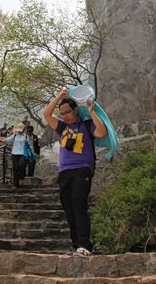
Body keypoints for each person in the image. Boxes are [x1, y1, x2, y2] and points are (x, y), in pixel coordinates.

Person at [43, 89, 107, 256]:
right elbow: (47, 114)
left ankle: (84, 244)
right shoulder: (62, 127)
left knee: (79, 205)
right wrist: (59, 96)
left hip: (82, 169)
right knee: (69, 208)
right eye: (62, 113)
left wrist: (92, 112)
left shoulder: (86, 125)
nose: (65, 116)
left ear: (76, 110)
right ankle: (76, 244)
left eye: (67, 112)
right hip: (64, 172)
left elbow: (102, 132)